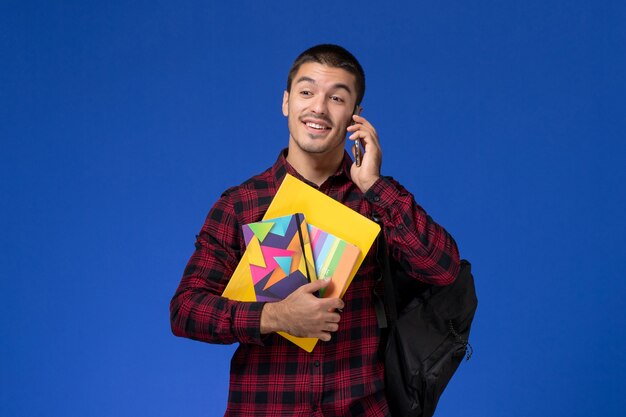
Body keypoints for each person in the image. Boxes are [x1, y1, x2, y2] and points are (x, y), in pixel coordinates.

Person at [170, 44, 460, 416]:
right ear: (286, 102)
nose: (319, 108)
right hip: (265, 408)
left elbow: (442, 268)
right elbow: (186, 310)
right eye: (307, 92)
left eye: (337, 98)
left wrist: (374, 185)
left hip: (361, 407)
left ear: (356, 115)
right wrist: (276, 316)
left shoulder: (376, 201)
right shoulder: (241, 204)